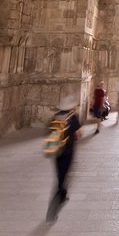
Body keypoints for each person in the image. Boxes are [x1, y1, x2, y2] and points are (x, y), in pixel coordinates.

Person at [47, 95, 82, 223]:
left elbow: (50, 132)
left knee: (60, 175)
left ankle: (63, 195)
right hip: (67, 152)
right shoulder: (72, 117)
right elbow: (79, 135)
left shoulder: (55, 117)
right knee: (62, 179)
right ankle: (51, 213)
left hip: (56, 152)